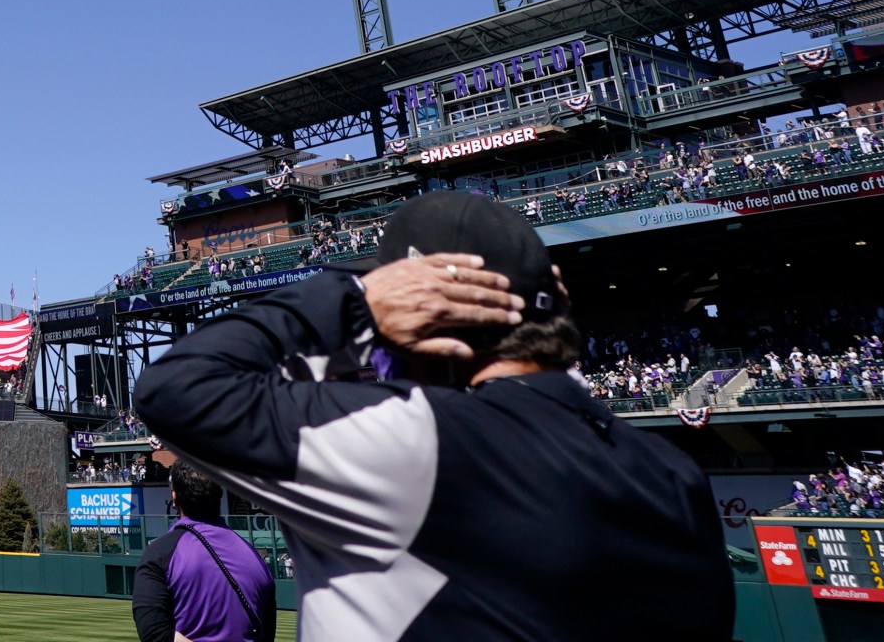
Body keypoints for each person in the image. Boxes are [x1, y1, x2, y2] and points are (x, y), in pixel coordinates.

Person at [133, 191, 730, 641]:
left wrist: (354, 298)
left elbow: (177, 388)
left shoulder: (418, 440)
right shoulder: (673, 473)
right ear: (556, 293)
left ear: (420, 311)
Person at [132, 459, 277, 642]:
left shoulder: (159, 553)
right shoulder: (255, 558)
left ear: (174, 498)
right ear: (219, 496)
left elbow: (154, 633)